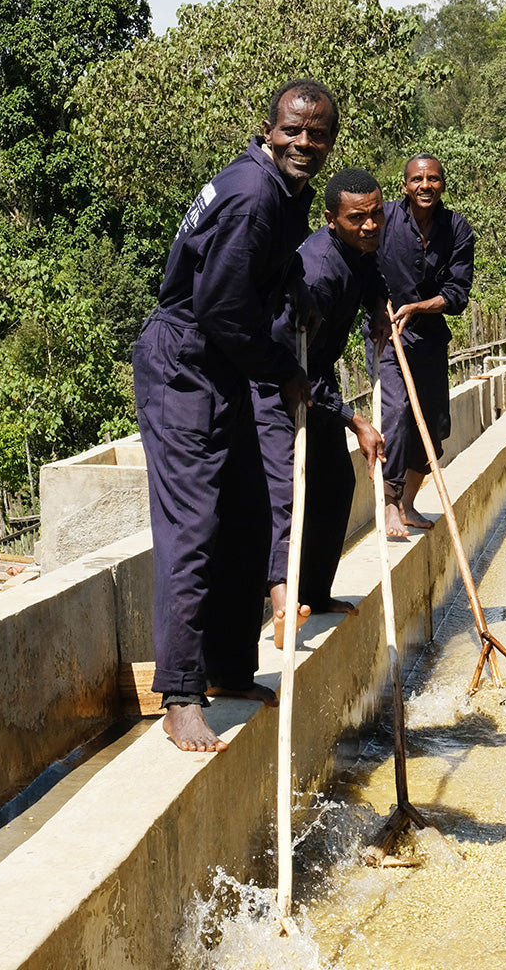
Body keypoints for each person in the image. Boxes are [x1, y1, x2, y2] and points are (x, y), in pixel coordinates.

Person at [133, 79, 339, 753]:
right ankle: (181, 694)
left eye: (318, 135)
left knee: (249, 511)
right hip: (187, 358)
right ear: (269, 129)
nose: (305, 143)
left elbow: (260, 274)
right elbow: (220, 306)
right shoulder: (252, 194)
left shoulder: (282, 192)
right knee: (194, 523)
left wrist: (296, 293)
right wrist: (284, 369)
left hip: (222, 358)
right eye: (294, 131)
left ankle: (226, 666)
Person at [254, 168, 390, 646]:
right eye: (358, 219)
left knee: (336, 484)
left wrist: (377, 308)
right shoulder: (318, 271)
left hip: (317, 380)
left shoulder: (357, 253)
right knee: (290, 495)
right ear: (332, 219)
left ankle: (316, 592)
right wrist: (357, 422)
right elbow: (297, 368)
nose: (371, 226)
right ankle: (278, 609)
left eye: (376, 215)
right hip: (283, 385)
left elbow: (372, 274)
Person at [366, 153, 475, 537]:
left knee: (431, 424)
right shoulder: (384, 219)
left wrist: (419, 307)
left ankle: (409, 503)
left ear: (442, 183)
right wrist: (382, 305)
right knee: (395, 413)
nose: (425, 186)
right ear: (405, 185)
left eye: (432, 179)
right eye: (417, 180)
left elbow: (458, 294)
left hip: (429, 338)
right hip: (387, 332)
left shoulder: (457, 229)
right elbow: (365, 266)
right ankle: (390, 503)